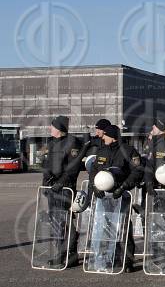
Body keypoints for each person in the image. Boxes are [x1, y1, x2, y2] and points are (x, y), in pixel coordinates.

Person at [89, 125, 144, 272]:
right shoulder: (101, 151)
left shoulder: (128, 151)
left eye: (105, 135)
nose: (102, 137)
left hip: (121, 195)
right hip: (103, 197)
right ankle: (108, 258)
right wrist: (95, 186)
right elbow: (93, 170)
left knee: (123, 228)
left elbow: (137, 171)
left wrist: (124, 186)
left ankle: (127, 261)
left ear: (112, 136)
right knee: (105, 228)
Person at [40, 115, 83, 267]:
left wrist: (61, 183)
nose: (50, 128)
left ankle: (68, 253)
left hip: (64, 189)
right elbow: (46, 165)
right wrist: (46, 183)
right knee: (56, 222)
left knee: (63, 220)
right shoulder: (52, 143)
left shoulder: (72, 143)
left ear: (59, 129)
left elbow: (73, 167)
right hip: (52, 189)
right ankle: (62, 252)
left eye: (52, 126)